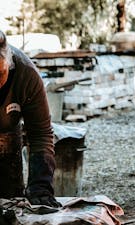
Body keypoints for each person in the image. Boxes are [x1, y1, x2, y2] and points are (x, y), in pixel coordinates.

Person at [0, 30, 60, 207]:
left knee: (9, 203)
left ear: (8, 63)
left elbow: (41, 133)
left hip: (7, 136)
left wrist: (40, 185)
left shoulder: (26, 74)